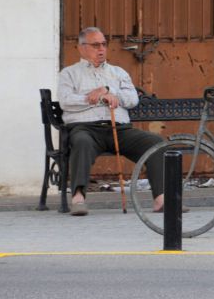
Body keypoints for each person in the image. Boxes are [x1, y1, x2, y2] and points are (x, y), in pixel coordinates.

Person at [58, 27, 164, 216]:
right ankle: (78, 197)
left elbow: (132, 100)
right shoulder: (70, 73)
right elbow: (66, 101)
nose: (101, 49)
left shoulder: (118, 73)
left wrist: (110, 90)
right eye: (95, 45)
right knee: (81, 142)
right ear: (82, 48)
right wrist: (98, 97)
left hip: (119, 129)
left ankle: (161, 199)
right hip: (86, 129)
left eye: (104, 45)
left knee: (156, 144)